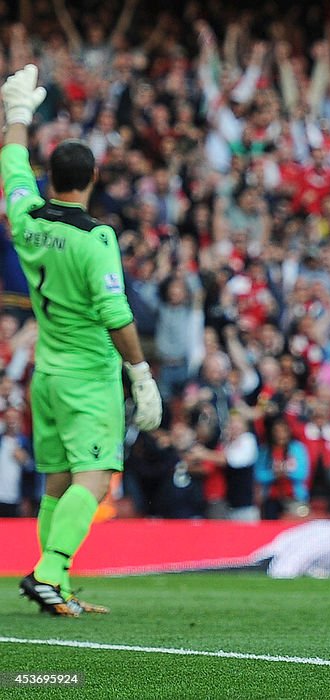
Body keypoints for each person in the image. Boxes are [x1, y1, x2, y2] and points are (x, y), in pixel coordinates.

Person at [2, 65, 162, 616]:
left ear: (51, 177)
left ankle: (58, 584)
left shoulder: (25, 218)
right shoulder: (96, 238)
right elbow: (116, 314)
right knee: (93, 483)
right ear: (92, 177)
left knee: (57, 482)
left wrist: (17, 115)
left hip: (45, 374)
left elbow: (11, 165)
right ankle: (47, 570)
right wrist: (140, 374)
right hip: (88, 375)